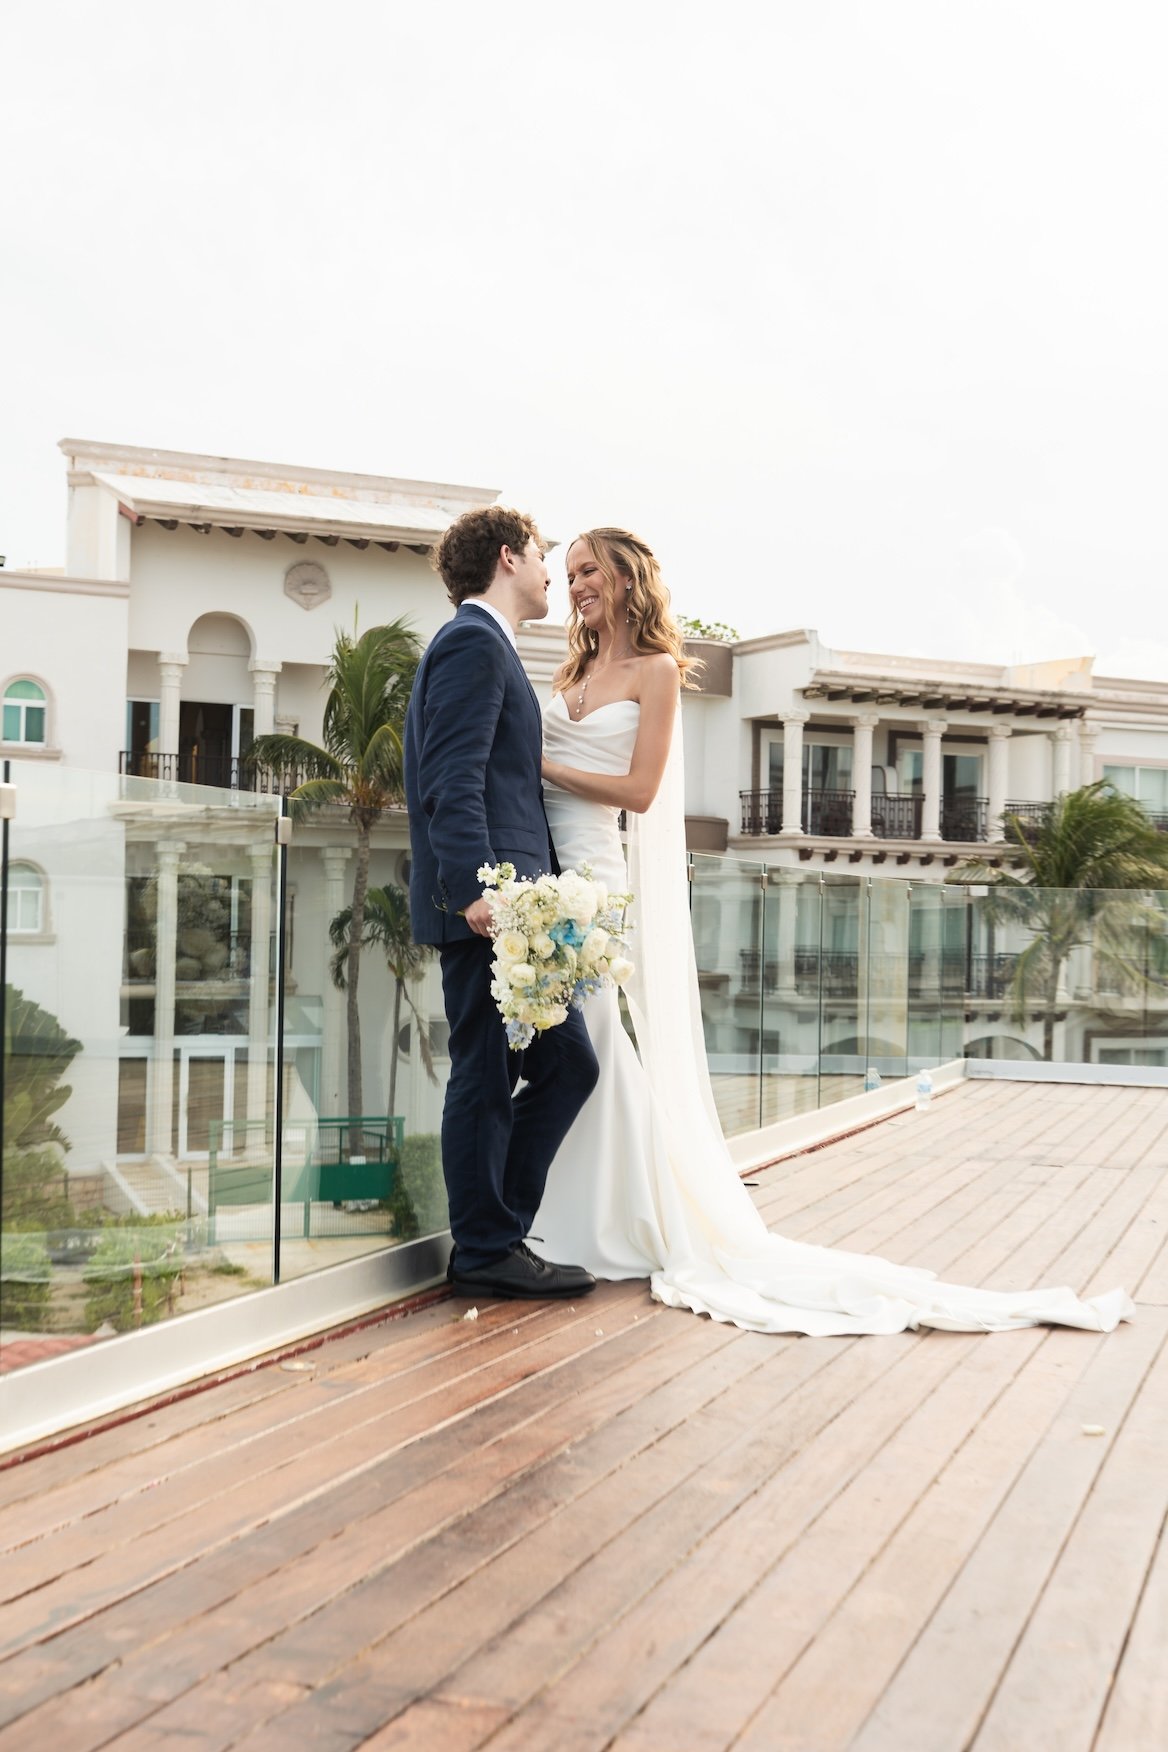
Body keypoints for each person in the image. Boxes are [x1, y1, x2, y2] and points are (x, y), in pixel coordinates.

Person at [534, 528, 1134, 1336]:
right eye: (569, 574)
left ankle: (615, 1222)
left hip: (598, 880)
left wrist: (543, 769)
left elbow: (640, 792)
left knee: (599, 1038)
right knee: (575, 1046)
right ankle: (570, 1218)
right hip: (547, 877)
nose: (576, 586)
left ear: (626, 577)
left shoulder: (660, 673)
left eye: (589, 571)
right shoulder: (570, 672)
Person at [403, 506, 600, 1299]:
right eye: (545, 555)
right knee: (484, 1072)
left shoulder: (492, 647)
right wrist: (478, 892)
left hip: (521, 910)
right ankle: (485, 1249)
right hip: (491, 909)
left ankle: (499, 1233)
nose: (552, 570)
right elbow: (451, 781)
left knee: (566, 1065)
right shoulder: (472, 644)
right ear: (509, 557)